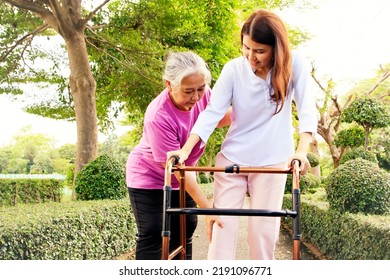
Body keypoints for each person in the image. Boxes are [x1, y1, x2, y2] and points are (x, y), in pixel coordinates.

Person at [167, 9, 318, 260]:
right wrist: (185, 151)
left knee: (262, 234)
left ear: (276, 48)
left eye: (259, 51)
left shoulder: (295, 65)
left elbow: (307, 110)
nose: (251, 56)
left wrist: (301, 152)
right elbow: (212, 113)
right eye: (246, 48)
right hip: (232, 159)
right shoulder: (234, 69)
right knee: (222, 231)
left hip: (272, 162)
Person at [126, 51, 229, 260]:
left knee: (185, 229)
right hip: (150, 177)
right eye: (188, 91)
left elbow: (217, 119)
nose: (196, 97)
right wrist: (207, 208)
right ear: (169, 84)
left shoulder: (204, 93)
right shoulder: (158, 116)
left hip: (183, 175)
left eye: (200, 89)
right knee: (154, 232)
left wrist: (254, 113)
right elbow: (177, 169)